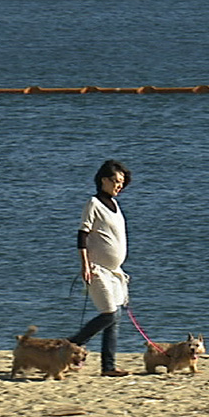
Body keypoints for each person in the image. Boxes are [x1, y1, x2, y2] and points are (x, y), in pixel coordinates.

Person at [69, 160, 133, 377]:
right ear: (103, 180)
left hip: (114, 272)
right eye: (115, 181)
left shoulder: (115, 206)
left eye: (122, 182)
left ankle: (108, 366)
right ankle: (72, 342)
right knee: (109, 314)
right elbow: (82, 235)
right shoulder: (93, 203)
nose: (119, 186)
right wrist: (85, 265)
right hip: (97, 269)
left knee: (116, 317)